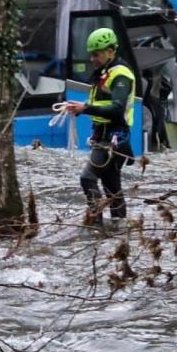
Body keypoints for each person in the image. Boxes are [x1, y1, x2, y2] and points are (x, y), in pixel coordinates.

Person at [64, 27, 135, 228]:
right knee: (111, 185)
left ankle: (95, 226)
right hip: (105, 136)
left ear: (110, 51)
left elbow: (117, 108)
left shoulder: (121, 75)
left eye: (96, 54)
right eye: (91, 55)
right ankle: (119, 227)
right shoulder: (106, 72)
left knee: (87, 178)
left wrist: (85, 108)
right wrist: (80, 108)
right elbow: (103, 104)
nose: (92, 59)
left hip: (115, 137)